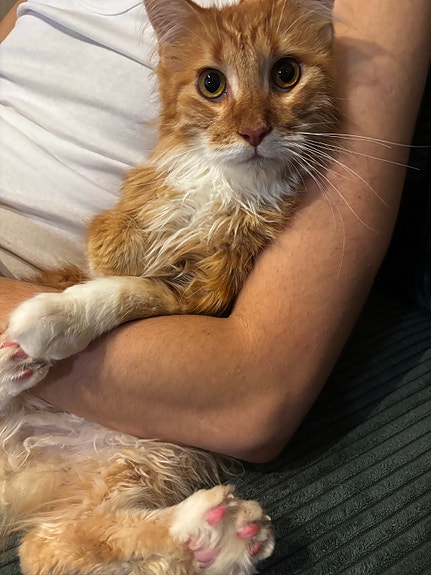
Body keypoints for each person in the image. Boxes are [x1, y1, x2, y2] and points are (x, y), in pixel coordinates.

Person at [0, 0, 430, 463]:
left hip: (36, 292)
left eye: (284, 75)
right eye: (213, 84)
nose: (253, 125)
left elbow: (255, 398)